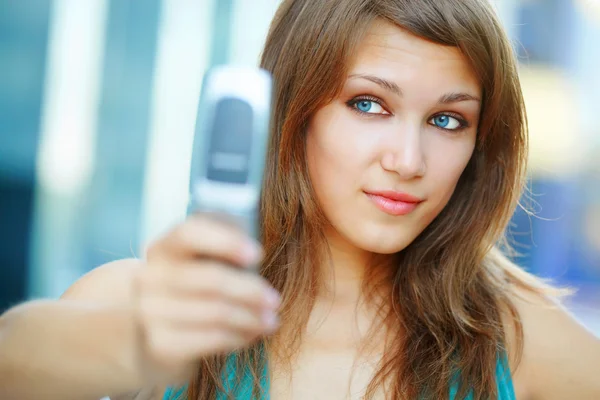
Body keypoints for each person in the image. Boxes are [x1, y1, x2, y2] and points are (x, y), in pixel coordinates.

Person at [1, 0, 599, 399]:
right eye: (368, 104)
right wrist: (133, 347)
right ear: (294, 112)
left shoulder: (516, 339)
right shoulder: (157, 307)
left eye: (447, 120)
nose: (408, 161)